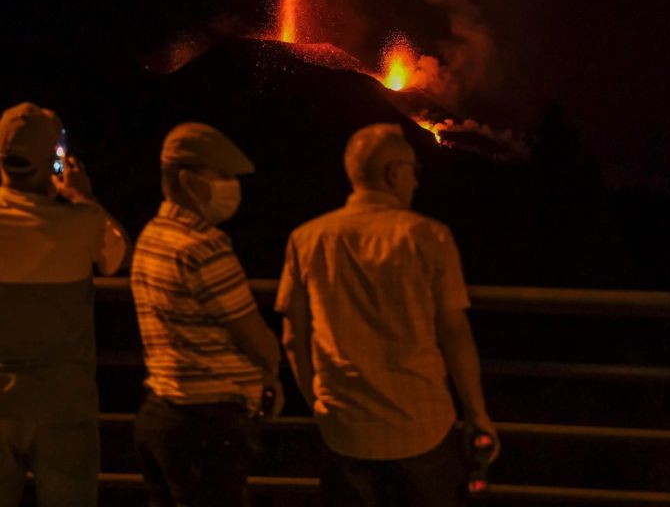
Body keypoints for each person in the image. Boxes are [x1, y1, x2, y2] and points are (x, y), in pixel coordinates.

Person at [277, 123, 498, 507]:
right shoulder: (429, 237)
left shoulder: (306, 238)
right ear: (394, 173)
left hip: (344, 432)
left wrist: (320, 405)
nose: (415, 181)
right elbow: (454, 332)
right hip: (421, 428)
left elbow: (294, 337)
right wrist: (477, 414)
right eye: (414, 170)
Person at [131, 123, 284, 507]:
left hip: (161, 413)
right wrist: (271, 375)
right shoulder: (204, 246)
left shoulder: (152, 236)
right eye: (223, 176)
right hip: (208, 428)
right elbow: (256, 339)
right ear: (189, 181)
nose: (232, 186)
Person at [0, 102, 128, 507]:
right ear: (53, 159)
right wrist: (81, 195)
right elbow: (116, 255)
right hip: (64, 404)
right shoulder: (81, 223)